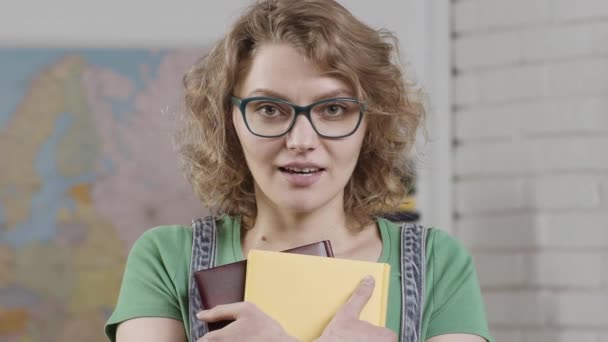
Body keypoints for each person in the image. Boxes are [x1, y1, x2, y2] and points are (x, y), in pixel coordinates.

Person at [105, 0, 494, 341]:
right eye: (270, 110)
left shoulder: (437, 264)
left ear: (371, 122)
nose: (300, 140)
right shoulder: (166, 258)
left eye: (333, 109)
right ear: (230, 120)